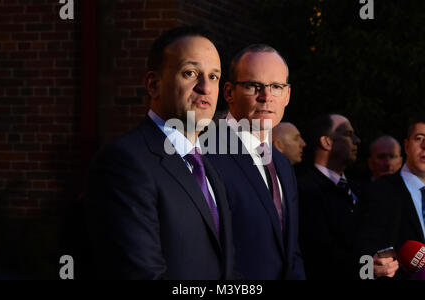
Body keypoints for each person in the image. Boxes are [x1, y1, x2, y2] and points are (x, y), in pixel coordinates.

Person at [84, 26, 237, 279]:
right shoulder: (125, 163)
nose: (205, 87)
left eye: (213, 77)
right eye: (190, 73)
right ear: (153, 85)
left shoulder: (207, 165)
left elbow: (226, 268)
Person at [206, 44, 305, 280]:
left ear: (287, 95)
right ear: (229, 92)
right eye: (253, 86)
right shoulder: (205, 156)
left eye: (276, 87)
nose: (266, 97)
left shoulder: (282, 164)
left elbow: (290, 249)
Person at [356, 113, 425, 279]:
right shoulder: (379, 192)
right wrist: (370, 270)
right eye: (419, 138)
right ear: (406, 145)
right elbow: (362, 260)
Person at [297, 113, 361, 279]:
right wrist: (368, 267)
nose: (357, 140)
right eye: (348, 134)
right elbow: (321, 253)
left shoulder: (360, 189)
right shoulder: (304, 190)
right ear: (326, 142)